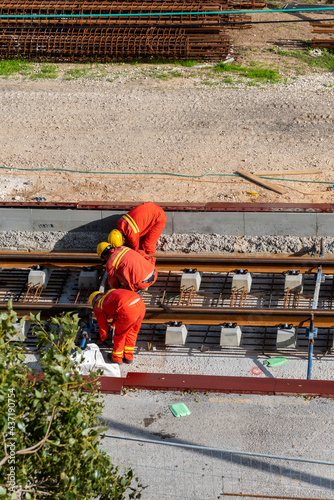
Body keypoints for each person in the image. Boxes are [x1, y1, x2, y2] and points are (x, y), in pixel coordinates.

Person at [89, 288, 146, 364]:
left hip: (127, 309)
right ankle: (128, 357)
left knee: (120, 335)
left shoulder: (98, 305)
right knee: (132, 332)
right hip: (140, 304)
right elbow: (116, 310)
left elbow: (103, 327)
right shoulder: (110, 293)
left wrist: (102, 339)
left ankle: (117, 358)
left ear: (93, 302)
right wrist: (112, 325)